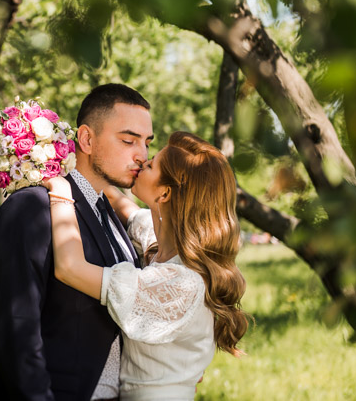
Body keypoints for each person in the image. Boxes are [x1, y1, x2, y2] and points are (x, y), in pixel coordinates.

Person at [0, 83, 154, 400]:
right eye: (128, 140)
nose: (141, 155)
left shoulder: (110, 214)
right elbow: (18, 329)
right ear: (86, 139)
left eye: (146, 142)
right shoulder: (32, 207)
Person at [45, 131, 249, 401]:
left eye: (151, 164)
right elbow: (125, 207)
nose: (142, 162)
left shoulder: (181, 283)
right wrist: (79, 159)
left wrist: (60, 191)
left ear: (164, 193)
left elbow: (70, 268)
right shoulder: (162, 244)